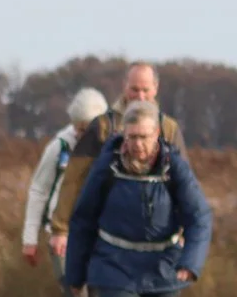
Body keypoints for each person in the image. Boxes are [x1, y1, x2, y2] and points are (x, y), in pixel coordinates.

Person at [61, 100, 214, 297]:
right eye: (131, 137)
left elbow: (199, 216)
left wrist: (190, 262)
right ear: (123, 135)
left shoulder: (175, 167)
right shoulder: (107, 167)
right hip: (114, 264)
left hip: (164, 265)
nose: (137, 145)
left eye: (144, 137)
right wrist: (75, 275)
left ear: (157, 134)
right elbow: (83, 219)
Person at [23, 86, 111, 297]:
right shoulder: (59, 145)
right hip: (62, 236)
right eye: (79, 126)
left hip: (99, 237)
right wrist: (29, 238)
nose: (81, 132)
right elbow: (38, 190)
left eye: (87, 127)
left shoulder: (112, 143)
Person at [47, 62, 168, 254]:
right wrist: (60, 229)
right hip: (105, 234)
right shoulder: (103, 126)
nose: (140, 96)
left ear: (156, 88)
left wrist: (184, 230)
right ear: (124, 86)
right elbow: (74, 178)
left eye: (146, 90)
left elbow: (182, 184)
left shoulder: (169, 128)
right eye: (134, 89)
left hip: (155, 237)